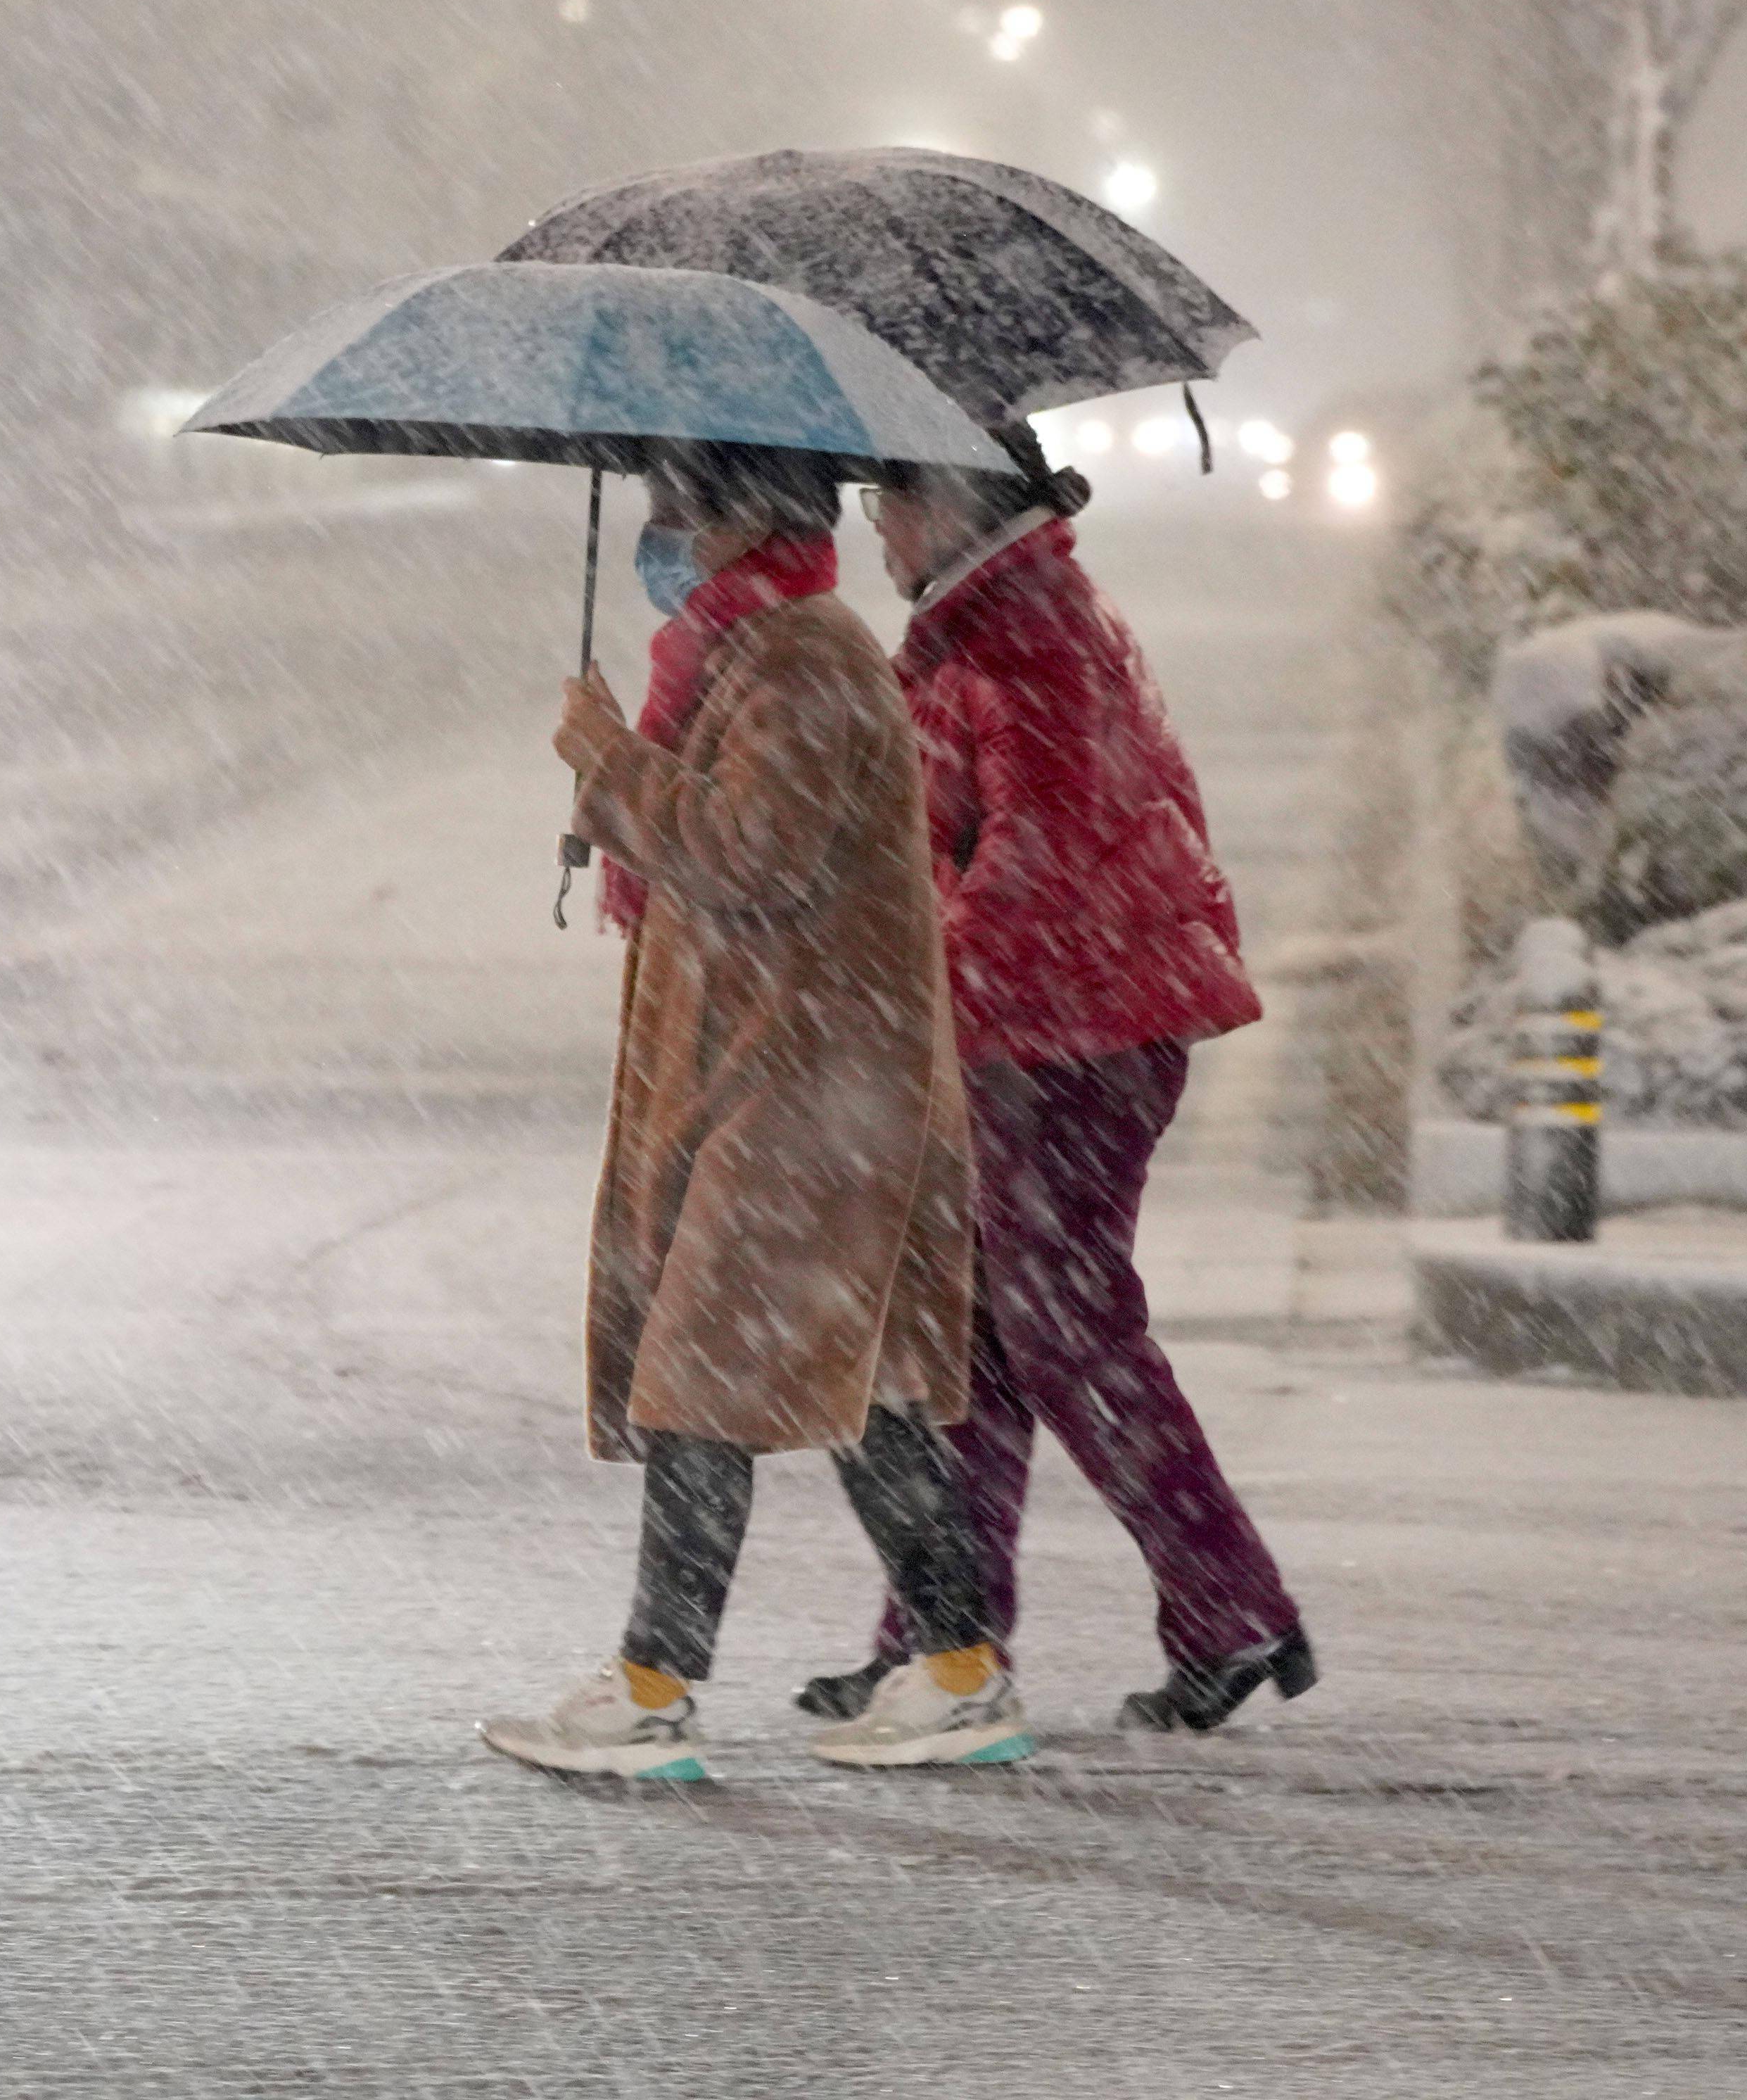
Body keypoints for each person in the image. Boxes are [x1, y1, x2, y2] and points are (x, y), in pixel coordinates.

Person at [481, 440, 1024, 1781]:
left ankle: (655, 1689)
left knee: (699, 1386)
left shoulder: (802, 661)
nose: (660, 534)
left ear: (741, 520)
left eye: (677, 510)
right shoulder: (763, 653)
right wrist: (623, 776)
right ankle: (960, 1672)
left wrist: (610, 765)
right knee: (868, 1394)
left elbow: (750, 853)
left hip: (808, 1091)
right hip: (801, 1080)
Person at [799, 438, 1316, 1735]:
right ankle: (947, 1634)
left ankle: (1224, 1607)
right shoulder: (1001, 620)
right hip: (1050, 1027)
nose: (875, 531)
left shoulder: (1022, 637)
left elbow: (1039, 853)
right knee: (987, 1342)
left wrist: (934, 995)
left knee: (1063, 1334)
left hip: (1069, 1039)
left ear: (945, 504)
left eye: (884, 503)